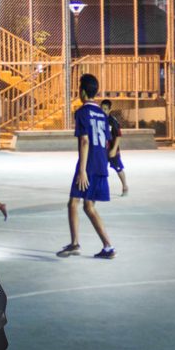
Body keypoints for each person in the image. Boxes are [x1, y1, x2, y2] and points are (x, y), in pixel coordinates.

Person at [57, 73, 116, 259]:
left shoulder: (82, 112)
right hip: (101, 163)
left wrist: (82, 170)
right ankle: (108, 247)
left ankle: (75, 244)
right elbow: (106, 141)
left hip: (88, 164)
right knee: (88, 206)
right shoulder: (102, 113)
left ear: (82, 92)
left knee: (73, 203)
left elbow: (84, 141)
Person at [100, 98, 128, 196]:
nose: (103, 111)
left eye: (105, 109)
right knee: (101, 169)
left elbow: (118, 136)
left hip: (112, 150)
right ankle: (101, 189)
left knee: (118, 168)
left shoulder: (112, 121)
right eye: (102, 108)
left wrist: (114, 149)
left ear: (109, 110)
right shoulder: (98, 119)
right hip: (102, 150)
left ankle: (125, 186)